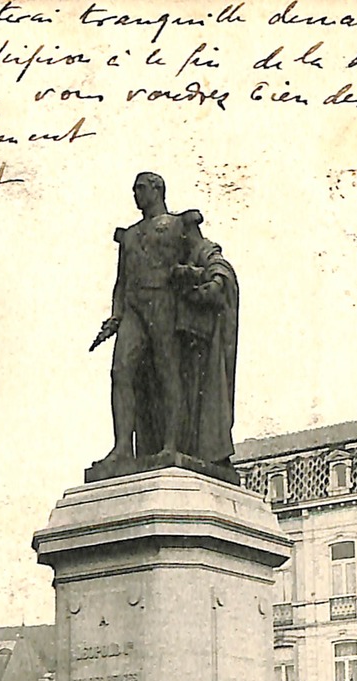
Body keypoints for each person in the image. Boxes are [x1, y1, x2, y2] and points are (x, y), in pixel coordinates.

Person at [91, 172, 203, 463]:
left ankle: (171, 444)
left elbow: (201, 258)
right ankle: (122, 448)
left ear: (157, 189)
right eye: (134, 190)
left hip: (165, 302)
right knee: (121, 371)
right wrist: (116, 315)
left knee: (168, 371)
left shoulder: (180, 224)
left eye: (140, 188)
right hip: (134, 308)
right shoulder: (128, 235)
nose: (136, 194)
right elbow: (121, 280)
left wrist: (194, 276)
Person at [172, 217, 238, 466]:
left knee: (204, 396)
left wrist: (195, 287)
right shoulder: (189, 257)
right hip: (189, 340)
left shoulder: (208, 252)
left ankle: (210, 450)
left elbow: (220, 281)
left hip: (203, 340)